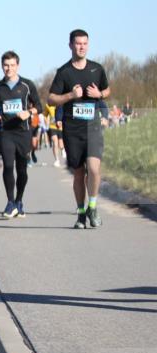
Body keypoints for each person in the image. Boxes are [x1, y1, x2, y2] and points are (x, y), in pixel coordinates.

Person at [48, 29, 110, 228]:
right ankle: (81, 213)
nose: (81, 46)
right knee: (78, 172)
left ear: (88, 45)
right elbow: (51, 98)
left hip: (92, 127)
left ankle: (92, 206)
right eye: (78, 43)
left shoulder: (97, 69)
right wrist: (69, 96)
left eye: (85, 43)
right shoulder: (64, 72)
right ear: (70, 45)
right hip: (72, 129)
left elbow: (107, 90)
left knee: (93, 168)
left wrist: (99, 93)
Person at [0, 51, 43, 219]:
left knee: (22, 169)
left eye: (12, 65)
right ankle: (10, 202)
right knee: (8, 166)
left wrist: (29, 112)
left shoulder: (27, 85)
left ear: (17, 66)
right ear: (1, 66)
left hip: (23, 132)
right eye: (6, 65)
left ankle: (19, 201)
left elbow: (40, 106)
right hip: (5, 132)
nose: (9, 68)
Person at [45, 102, 63, 167]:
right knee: (55, 142)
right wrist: (46, 120)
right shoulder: (48, 105)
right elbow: (45, 115)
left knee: (61, 144)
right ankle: (57, 160)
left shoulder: (62, 103)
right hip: (52, 126)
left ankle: (63, 150)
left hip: (61, 127)